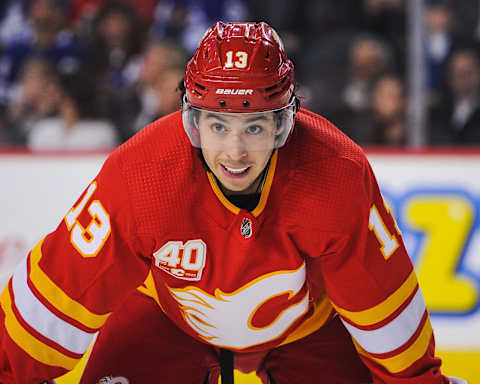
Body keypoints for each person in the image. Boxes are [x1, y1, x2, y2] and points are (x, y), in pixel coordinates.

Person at [0, 21, 467, 384]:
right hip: (166, 316)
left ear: (287, 123)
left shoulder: (335, 174)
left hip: (306, 327)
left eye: (257, 126)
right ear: (191, 122)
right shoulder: (141, 176)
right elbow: (54, 300)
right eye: (218, 126)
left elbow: (382, 308)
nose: (236, 152)